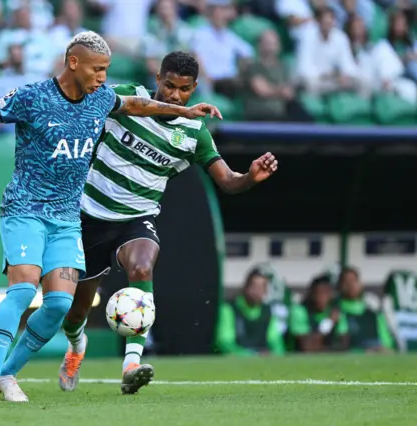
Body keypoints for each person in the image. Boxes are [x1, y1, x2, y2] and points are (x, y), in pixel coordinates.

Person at [0, 32, 219, 405]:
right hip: (26, 208)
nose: (103, 77)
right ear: (74, 63)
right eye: (98, 69)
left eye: (107, 70)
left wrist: (184, 112)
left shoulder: (100, 99)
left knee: (60, 305)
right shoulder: (33, 97)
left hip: (66, 218)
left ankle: (9, 374)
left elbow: (140, 106)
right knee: (24, 287)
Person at [57, 51, 278, 395]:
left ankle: (131, 365)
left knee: (142, 267)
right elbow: (87, 102)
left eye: (184, 89)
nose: (175, 95)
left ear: (195, 88)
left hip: (137, 218)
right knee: (77, 310)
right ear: (157, 79)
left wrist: (249, 176)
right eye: (169, 85)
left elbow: (228, 181)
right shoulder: (131, 98)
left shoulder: (195, 133)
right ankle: (76, 347)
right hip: (91, 214)